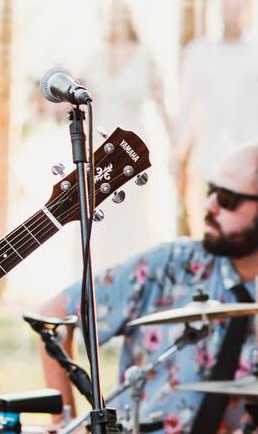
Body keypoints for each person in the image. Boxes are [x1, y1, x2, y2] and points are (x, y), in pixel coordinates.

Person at [39, 143, 258, 433]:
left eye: (227, 198)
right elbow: (54, 317)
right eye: (211, 191)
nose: (209, 206)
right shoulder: (170, 265)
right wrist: (66, 423)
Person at [80, 0, 176, 270]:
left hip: (133, 145)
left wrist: (175, 151)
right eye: (111, 16)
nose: (116, 22)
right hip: (99, 144)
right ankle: (96, 277)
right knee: (99, 212)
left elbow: (162, 106)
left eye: (120, 15)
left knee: (133, 215)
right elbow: (78, 102)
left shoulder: (145, 57)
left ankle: (133, 276)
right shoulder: (94, 58)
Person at [175, 0, 258, 237]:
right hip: (208, 160)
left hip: (250, 162)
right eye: (227, 8)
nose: (232, 14)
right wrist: (178, 156)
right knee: (207, 231)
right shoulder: (199, 52)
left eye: (238, 8)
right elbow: (186, 108)